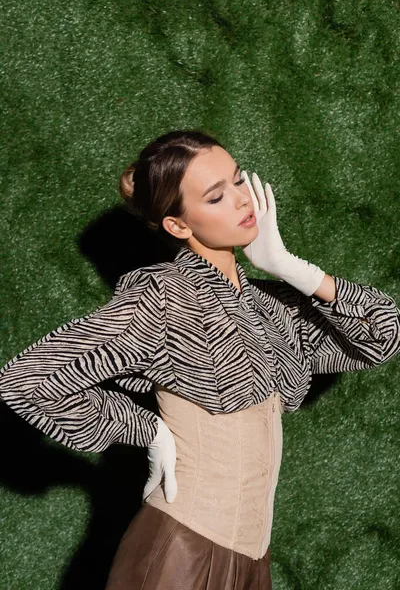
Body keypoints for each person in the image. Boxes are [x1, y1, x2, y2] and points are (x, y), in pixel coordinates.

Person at [0, 130, 399, 589]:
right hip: (182, 550)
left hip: (254, 560)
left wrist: (292, 268)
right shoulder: (163, 297)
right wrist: (146, 430)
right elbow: (27, 380)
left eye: (237, 181)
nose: (241, 200)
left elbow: (382, 335)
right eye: (215, 196)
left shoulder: (270, 307)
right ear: (178, 226)